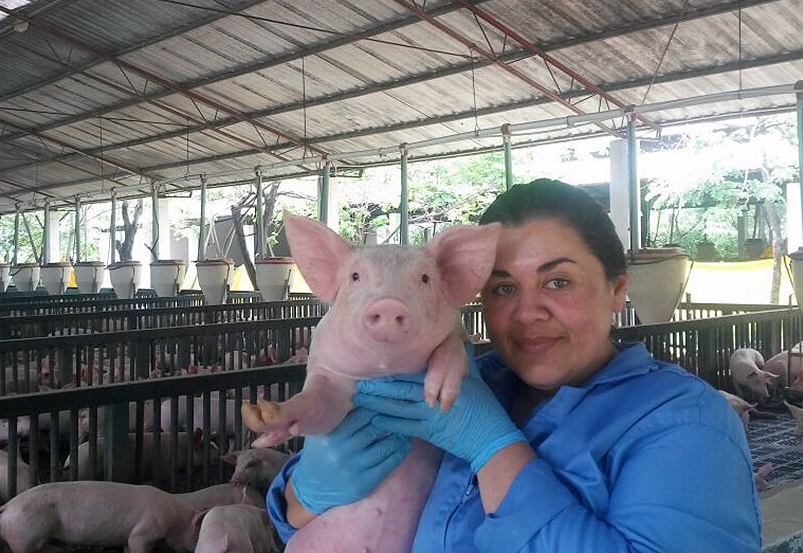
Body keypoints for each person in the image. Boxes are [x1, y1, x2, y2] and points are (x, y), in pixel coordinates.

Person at [265, 178, 761, 551]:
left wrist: (493, 448)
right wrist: (307, 492)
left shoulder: (686, 422)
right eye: (503, 288)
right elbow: (303, 516)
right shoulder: (470, 382)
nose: (527, 312)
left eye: (558, 282)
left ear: (616, 289)